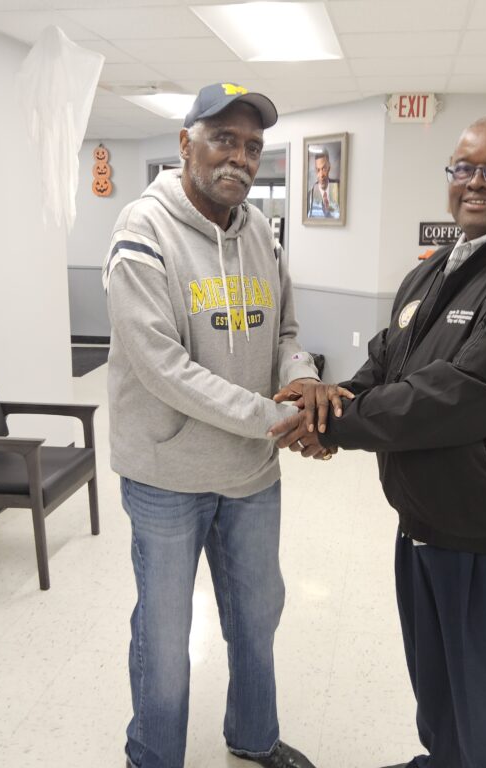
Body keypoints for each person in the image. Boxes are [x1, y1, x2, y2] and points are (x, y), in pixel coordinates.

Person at [271, 114, 486, 768]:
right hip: (429, 525)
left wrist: (335, 424)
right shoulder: (431, 272)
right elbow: (387, 363)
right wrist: (328, 398)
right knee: (442, 693)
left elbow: (465, 393)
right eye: (463, 167)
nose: (476, 182)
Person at [104, 82, 322, 768]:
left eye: (253, 146)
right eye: (223, 139)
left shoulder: (261, 232)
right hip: (167, 475)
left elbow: (287, 329)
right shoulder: (142, 233)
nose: (240, 157)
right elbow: (162, 366)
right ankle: (154, 756)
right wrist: (274, 417)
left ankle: (254, 736)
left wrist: (305, 376)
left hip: (252, 475)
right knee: (166, 637)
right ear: (185, 144)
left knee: (257, 620)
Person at [306, 149, 340, 218]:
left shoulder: (339, 189)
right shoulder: (309, 195)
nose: (321, 175)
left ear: (329, 168)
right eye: (318, 170)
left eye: (324, 169)